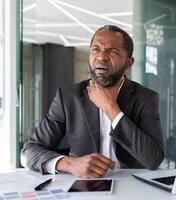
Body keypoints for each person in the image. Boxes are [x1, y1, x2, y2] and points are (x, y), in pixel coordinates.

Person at [21, 25, 164, 178]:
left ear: (129, 62)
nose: (101, 56)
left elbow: (153, 159)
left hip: (130, 185)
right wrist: (70, 164)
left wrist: (111, 108)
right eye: (96, 49)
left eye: (113, 51)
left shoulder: (145, 98)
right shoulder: (68, 97)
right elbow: (28, 152)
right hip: (84, 186)